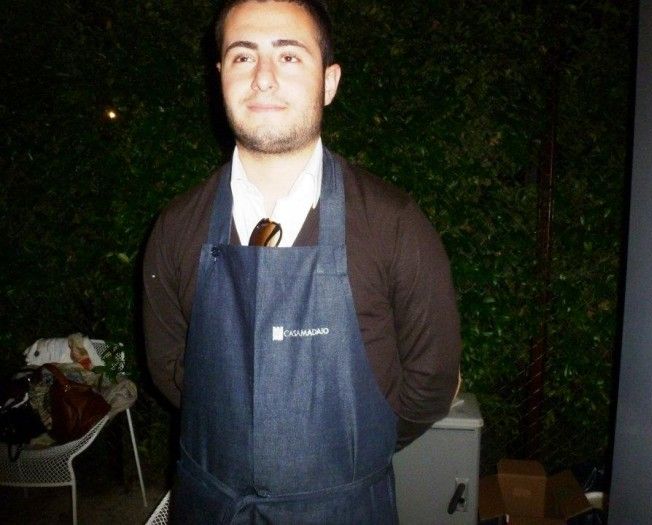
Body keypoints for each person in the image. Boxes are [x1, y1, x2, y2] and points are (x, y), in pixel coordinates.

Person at [142, 0, 461, 522]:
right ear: (220, 77)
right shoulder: (176, 227)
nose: (264, 77)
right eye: (243, 56)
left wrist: (345, 463)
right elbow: (171, 369)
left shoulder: (394, 224)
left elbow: (431, 383)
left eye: (289, 56)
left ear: (329, 82)